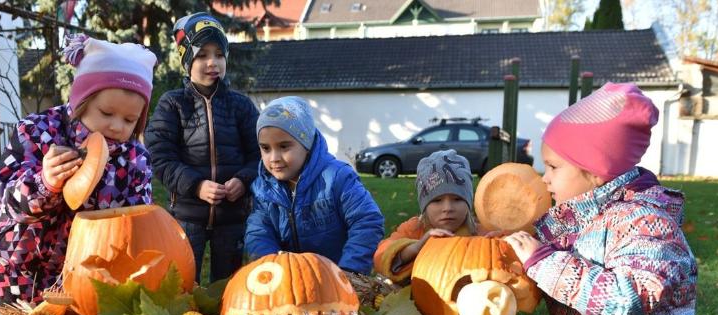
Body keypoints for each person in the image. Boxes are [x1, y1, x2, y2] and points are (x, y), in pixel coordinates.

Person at [503, 83, 713, 315]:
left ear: (595, 171)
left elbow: (625, 298)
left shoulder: (647, 224)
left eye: (553, 166)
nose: (544, 178)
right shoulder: (575, 222)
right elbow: (550, 260)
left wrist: (544, 261)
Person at [0, 35, 157, 303]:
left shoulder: (135, 158)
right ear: (81, 100)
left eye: (130, 120)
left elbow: (137, 219)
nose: (117, 126)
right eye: (106, 113)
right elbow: (11, 202)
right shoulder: (36, 132)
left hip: (82, 272)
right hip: (19, 263)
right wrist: (44, 182)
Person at [145, 12, 259, 284]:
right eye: (202, 54)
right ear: (187, 61)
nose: (212, 63)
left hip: (233, 218)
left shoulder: (240, 106)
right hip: (187, 216)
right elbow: (160, 158)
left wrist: (243, 180)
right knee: (185, 285)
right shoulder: (172, 104)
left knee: (228, 288)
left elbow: (259, 156)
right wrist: (196, 185)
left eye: (219, 54)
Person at [245, 96, 384, 274]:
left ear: (307, 143)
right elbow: (259, 232)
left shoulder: (338, 178)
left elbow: (366, 221)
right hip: (287, 282)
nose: (274, 158)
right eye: (266, 148)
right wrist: (270, 269)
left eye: (284, 146)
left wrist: (350, 271)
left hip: (339, 277)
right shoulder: (263, 188)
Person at [373, 149, 477, 283]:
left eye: (457, 199)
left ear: (468, 202)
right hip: (413, 300)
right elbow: (381, 256)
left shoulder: (479, 234)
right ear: (425, 206)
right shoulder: (414, 229)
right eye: (437, 200)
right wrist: (416, 247)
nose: (448, 208)